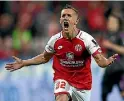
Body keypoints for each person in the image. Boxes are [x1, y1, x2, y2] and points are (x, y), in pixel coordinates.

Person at [5, 4, 118, 101]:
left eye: (69, 16)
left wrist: (107, 61)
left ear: (76, 21)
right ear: (60, 20)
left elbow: (100, 61)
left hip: (82, 84)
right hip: (63, 78)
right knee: (62, 97)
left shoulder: (87, 39)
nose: (65, 18)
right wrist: (24, 62)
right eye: (63, 16)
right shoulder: (55, 40)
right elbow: (44, 57)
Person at [101, 14, 124, 101]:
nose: (110, 23)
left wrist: (110, 45)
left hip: (120, 70)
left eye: (112, 21)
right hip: (110, 70)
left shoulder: (121, 35)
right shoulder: (107, 35)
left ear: (118, 24)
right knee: (104, 93)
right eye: (109, 21)